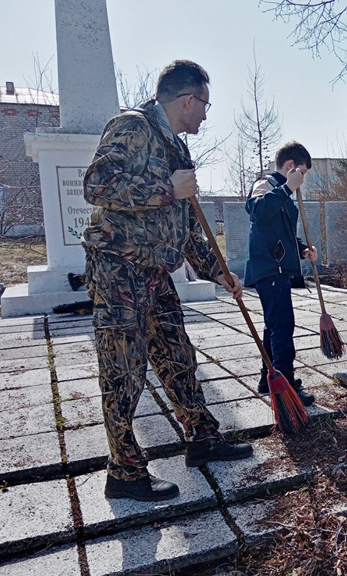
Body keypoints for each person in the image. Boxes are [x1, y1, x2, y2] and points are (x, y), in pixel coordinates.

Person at [82, 60, 253, 503]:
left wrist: (216, 270)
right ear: (187, 100)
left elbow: (185, 223)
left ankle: (202, 438)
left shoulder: (176, 148)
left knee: (178, 357)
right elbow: (97, 185)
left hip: (155, 273)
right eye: (205, 105)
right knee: (124, 372)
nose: (205, 114)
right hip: (119, 269)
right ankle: (124, 471)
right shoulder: (132, 126)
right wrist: (165, 186)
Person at [244, 141, 318, 406]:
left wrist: (301, 250)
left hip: (277, 267)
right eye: (303, 173)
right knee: (283, 325)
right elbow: (257, 211)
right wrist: (288, 187)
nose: (303, 179)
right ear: (291, 167)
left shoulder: (282, 192)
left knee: (273, 325)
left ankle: (268, 378)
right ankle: (286, 386)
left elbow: (281, 231)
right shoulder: (266, 185)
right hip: (269, 268)